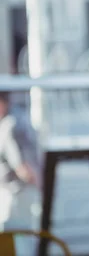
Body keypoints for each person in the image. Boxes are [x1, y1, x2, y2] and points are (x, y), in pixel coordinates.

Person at [0, 91, 41, 232]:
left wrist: (39, 185)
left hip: (17, 193)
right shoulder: (13, 121)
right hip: (14, 193)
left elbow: (22, 167)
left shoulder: (10, 126)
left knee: (20, 240)